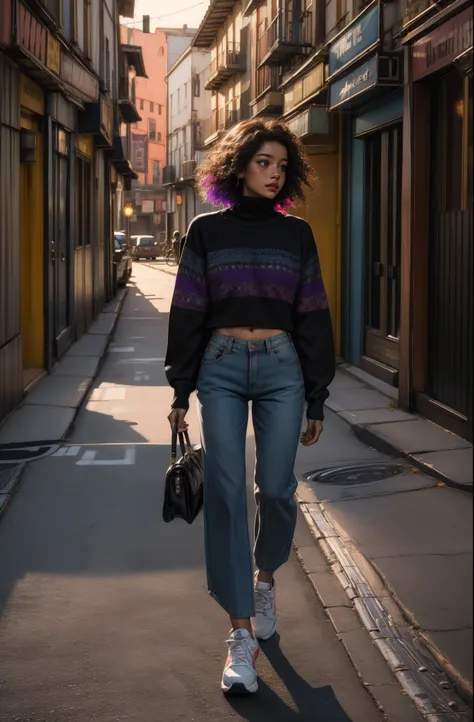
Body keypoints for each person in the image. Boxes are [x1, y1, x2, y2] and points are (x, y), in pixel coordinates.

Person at [164, 119, 335, 696]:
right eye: (264, 162)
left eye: (282, 166)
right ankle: (241, 634)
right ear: (238, 168)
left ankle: (264, 579)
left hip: (285, 366)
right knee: (229, 490)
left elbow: (313, 314)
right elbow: (187, 311)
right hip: (220, 365)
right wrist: (180, 390)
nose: (274, 173)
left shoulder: (298, 234)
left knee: (279, 490)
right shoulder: (206, 231)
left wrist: (317, 392)